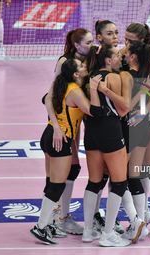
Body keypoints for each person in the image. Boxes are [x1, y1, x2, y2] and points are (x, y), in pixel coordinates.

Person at [30, 58, 102, 245]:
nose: (85, 66)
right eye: (81, 66)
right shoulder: (76, 91)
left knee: (52, 182)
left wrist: (55, 126)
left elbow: (46, 98)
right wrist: (94, 89)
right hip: (60, 140)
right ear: (76, 74)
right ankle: (40, 227)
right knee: (57, 185)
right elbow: (93, 111)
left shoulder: (63, 85)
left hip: (50, 135)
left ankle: (48, 224)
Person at [83, 44, 145, 246]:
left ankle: (87, 231)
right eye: (118, 56)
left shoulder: (90, 75)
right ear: (108, 61)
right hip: (109, 130)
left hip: (90, 129)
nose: (121, 58)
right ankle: (108, 234)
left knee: (94, 181)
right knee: (119, 182)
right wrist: (107, 90)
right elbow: (124, 108)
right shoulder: (115, 77)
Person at [120, 23, 150, 239]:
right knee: (136, 168)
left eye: (130, 40)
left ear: (141, 41)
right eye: (125, 38)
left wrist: (144, 110)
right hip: (132, 117)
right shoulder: (123, 55)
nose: (126, 42)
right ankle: (144, 213)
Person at [42, 28, 94, 235]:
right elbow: (50, 96)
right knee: (58, 174)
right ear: (77, 45)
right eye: (88, 42)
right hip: (60, 122)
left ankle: (59, 217)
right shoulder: (66, 62)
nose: (92, 45)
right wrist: (55, 126)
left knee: (73, 168)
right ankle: (56, 217)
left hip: (76, 119)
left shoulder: (90, 60)